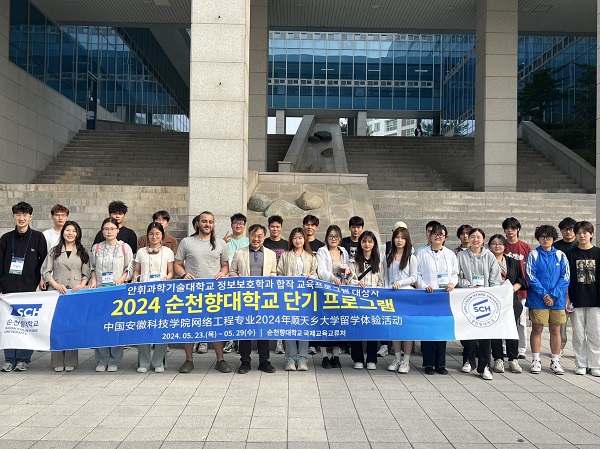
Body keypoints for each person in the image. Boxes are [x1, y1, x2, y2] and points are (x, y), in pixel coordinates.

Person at [174, 211, 232, 374]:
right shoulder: (187, 242)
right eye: (204, 221)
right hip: (192, 291)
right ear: (198, 223)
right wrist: (184, 275)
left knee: (216, 325)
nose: (207, 224)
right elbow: (177, 264)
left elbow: (225, 265)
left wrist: (223, 273)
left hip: (214, 291)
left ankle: (220, 360)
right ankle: (188, 360)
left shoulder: (220, 243)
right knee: (190, 325)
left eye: (210, 222)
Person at [0, 202, 48, 372]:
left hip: (29, 288)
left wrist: (42, 279)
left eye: (25, 214)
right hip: (8, 289)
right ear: (13, 216)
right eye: (18, 215)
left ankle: (23, 359)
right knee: (9, 324)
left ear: (30, 216)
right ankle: (9, 359)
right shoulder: (6, 238)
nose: (22, 218)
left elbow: (44, 262)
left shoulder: (38, 237)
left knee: (26, 325)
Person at [41, 220, 90, 372]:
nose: (70, 233)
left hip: (75, 293)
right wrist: (55, 285)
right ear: (63, 233)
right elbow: (46, 272)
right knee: (57, 326)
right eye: (68, 230)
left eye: (74, 231)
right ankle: (57, 361)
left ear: (78, 234)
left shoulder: (82, 251)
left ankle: (70, 360)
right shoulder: (54, 251)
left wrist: (81, 285)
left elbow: (86, 274)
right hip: (57, 293)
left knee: (72, 326)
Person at [230, 224, 277, 374]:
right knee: (245, 328)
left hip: (264, 298)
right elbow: (232, 271)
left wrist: (272, 278)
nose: (256, 239)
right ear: (248, 236)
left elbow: (274, 272)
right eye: (253, 235)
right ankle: (245, 361)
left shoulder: (270, 254)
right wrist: (236, 277)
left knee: (263, 329)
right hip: (245, 297)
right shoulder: (240, 252)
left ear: (264, 237)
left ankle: (264, 361)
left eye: (260, 236)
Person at [89, 217, 134, 372]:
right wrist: (94, 280)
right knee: (101, 325)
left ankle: (114, 359)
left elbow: (130, 267)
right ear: (102, 231)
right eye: (106, 229)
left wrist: (121, 280)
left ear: (117, 230)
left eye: (112, 229)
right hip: (100, 291)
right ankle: (101, 359)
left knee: (116, 325)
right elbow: (92, 267)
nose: (109, 231)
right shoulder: (96, 248)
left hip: (118, 291)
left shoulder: (124, 247)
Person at [457, 228, 502, 380]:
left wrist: (490, 293)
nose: (475, 239)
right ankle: (468, 361)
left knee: (485, 334)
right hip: (467, 297)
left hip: (485, 299)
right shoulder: (461, 255)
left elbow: (495, 278)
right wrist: (466, 285)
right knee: (468, 331)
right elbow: (456, 276)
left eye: (478, 237)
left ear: (483, 240)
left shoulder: (489, 256)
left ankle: (485, 366)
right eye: (472, 236)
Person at [526, 225, 570, 375]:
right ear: (538, 238)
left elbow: (565, 277)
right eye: (542, 237)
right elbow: (531, 276)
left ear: (553, 239)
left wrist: (554, 295)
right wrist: (545, 295)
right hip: (538, 299)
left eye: (549, 237)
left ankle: (555, 361)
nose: (546, 239)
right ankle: (536, 360)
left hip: (557, 300)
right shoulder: (533, 255)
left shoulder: (560, 255)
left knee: (556, 330)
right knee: (537, 329)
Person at [416, 223, 458, 375]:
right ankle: (428, 363)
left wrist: (452, 283)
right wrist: (424, 285)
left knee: (441, 329)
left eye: (441, 235)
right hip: (427, 295)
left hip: (443, 296)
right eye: (435, 234)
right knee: (428, 329)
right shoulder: (421, 253)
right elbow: (417, 274)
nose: (438, 237)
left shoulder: (450, 254)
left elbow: (455, 273)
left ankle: (440, 364)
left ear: (445, 237)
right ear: (430, 236)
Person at [133, 222, 174, 373]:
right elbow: (137, 271)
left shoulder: (168, 251)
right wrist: (135, 278)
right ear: (147, 235)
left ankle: (158, 362)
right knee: (143, 326)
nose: (154, 236)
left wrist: (167, 278)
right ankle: (144, 362)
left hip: (162, 293)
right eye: (151, 234)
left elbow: (171, 272)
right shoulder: (141, 252)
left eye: (157, 234)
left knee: (160, 326)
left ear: (162, 235)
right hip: (144, 294)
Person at [277, 228, 318, 371]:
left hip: (305, 297)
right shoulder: (285, 255)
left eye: (300, 238)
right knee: (289, 327)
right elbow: (279, 274)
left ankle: (303, 359)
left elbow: (315, 274)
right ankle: (290, 359)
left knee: (304, 327)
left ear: (304, 239)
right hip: (289, 296)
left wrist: (310, 276)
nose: (297, 241)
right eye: (295, 238)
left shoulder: (311, 256)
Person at [488, 234, 526, 374]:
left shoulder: (512, 262)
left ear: (505, 246)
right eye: (494, 243)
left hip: (510, 299)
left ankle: (513, 359)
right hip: (492, 300)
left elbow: (521, 280)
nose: (497, 246)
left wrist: (512, 289)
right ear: (489, 246)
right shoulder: (487, 260)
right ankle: (498, 359)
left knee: (511, 328)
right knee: (496, 329)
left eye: (500, 244)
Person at [566, 221, 600, 376]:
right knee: (578, 334)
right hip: (576, 299)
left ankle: (595, 364)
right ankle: (581, 363)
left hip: (596, 300)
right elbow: (566, 278)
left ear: (591, 234)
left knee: (595, 333)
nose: (582, 235)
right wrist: (567, 297)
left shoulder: (598, 253)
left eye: (585, 232)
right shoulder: (570, 254)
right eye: (578, 233)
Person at [348, 231, 384, 369]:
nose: (367, 244)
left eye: (370, 241)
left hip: (373, 300)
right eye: (364, 241)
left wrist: (377, 290)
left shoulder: (379, 262)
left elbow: (381, 281)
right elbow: (349, 280)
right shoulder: (353, 261)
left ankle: (371, 359)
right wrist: (358, 284)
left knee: (372, 329)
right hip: (357, 299)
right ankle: (357, 358)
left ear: (374, 244)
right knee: (357, 327)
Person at [384, 226, 418, 373]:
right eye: (397, 237)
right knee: (395, 326)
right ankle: (397, 358)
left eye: (402, 238)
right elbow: (385, 275)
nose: (399, 240)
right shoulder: (388, 256)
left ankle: (406, 360)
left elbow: (414, 277)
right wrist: (387, 288)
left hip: (406, 295)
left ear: (407, 240)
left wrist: (400, 283)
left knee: (407, 328)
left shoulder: (411, 257)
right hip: (392, 295)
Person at [316, 225, 350, 369]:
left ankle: (336, 356)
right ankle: (324, 356)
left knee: (338, 323)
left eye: (336, 236)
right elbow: (321, 270)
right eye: (330, 236)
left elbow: (348, 268)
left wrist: (347, 275)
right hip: (325, 291)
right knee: (324, 323)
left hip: (340, 292)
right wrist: (332, 278)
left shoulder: (343, 252)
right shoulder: (322, 251)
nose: (333, 239)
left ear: (340, 238)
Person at [503, 217, 531, 359]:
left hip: (521, 289)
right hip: (504, 291)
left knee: (521, 321)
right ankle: (503, 347)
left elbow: (529, 269)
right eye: (507, 228)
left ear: (518, 229)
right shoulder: (502, 245)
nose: (510, 231)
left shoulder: (525, 247)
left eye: (513, 228)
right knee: (504, 319)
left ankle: (521, 348)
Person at [554, 217, 578, 351]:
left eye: (571, 229)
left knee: (577, 323)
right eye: (565, 229)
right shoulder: (556, 247)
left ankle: (578, 350)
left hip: (577, 287)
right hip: (561, 287)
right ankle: (560, 347)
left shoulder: (579, 245)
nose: (568, 232)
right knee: (561, 321)